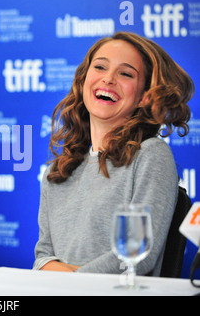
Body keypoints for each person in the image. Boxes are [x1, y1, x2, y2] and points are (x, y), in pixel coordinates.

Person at [33, 32, 194, 276]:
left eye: (126, 73)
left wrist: (71, 282)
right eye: (100, 67)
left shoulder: (150, 155)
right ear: (83, 80)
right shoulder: (56, 172)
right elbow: (43, 259)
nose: (108, 79)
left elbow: (137, 256)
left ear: (144, 96)